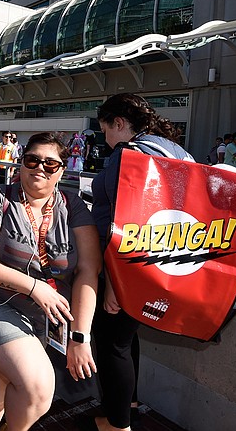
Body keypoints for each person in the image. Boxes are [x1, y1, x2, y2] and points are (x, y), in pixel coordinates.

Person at [0, 132, 101, 431]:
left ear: (63, 170)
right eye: (32, 160)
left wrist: (80, 336)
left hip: (43, 314)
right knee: (37, 391)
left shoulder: (73, 206)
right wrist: (35, 287)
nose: (40, 168)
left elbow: (89, 271)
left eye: (50, 164)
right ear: (21, 163)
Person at [89, 93, 193, 431]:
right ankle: (127, 406)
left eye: (106, 131)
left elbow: (126, 224)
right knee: (126, 337)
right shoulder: (177, 152)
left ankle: (117, 424)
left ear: (119, 123)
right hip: (162, 261)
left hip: (126, 266)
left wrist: (116, 285)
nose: (105, 141)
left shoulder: (130, 155)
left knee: (111, 344)